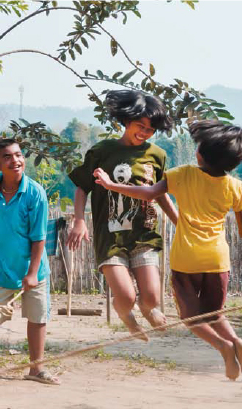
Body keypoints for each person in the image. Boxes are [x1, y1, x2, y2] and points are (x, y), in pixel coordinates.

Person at [93, 120, 242, 380]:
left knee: (191, 319)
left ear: (200, 154)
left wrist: (111, 185)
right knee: (215, 314)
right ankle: (237, 341)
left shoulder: (183, 174)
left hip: (187, 259)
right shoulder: (237, 188)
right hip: (218, 259)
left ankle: (224, 347)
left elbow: (149, 193)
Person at [67, 90, 178, 340]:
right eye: (140, 126)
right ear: (126, 121)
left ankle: (147, 310)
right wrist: (80, 221)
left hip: (145, 235)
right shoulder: (102, 151)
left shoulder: (157, 155)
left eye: (150, 130)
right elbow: (82, 187)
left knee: (151, 297)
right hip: (111, 238)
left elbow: (158, 193)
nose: (144, 133)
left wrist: (179, 222)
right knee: (126, 297)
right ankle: (126, 315)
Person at [0, 138, 58, 384]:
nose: (15, 160)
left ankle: (36, 369)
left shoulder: (35, 193)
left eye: (18, 155)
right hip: (0, 270)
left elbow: (39, 239)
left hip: (33, 270)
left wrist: (33, 274)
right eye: (7, 156)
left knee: (38, 317)